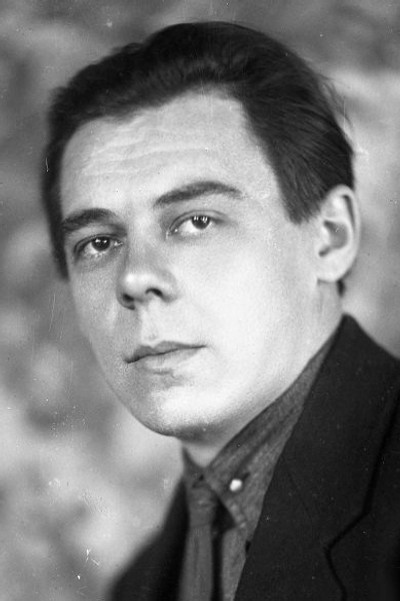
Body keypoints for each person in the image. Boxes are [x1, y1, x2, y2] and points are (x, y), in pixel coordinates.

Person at [41, 21, 400, 601]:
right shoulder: (140, 585)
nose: (134, 279)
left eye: (196, 221)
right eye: (98, 243)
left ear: (330, 237)